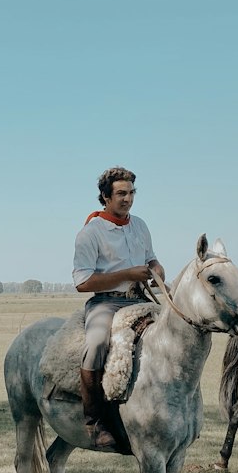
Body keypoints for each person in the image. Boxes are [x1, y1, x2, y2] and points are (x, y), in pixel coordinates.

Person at [72, 166, 164, 450]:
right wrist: (127, 274)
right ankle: (95, 422)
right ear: (105, 197)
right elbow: (82, 281)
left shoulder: (140, 225)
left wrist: (156, 269)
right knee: (97, 343)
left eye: (131, 193)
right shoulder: (90, 233)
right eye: (121, 193)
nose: (127, 199)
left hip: (140, 298)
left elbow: (150, 260)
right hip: (106, 302)